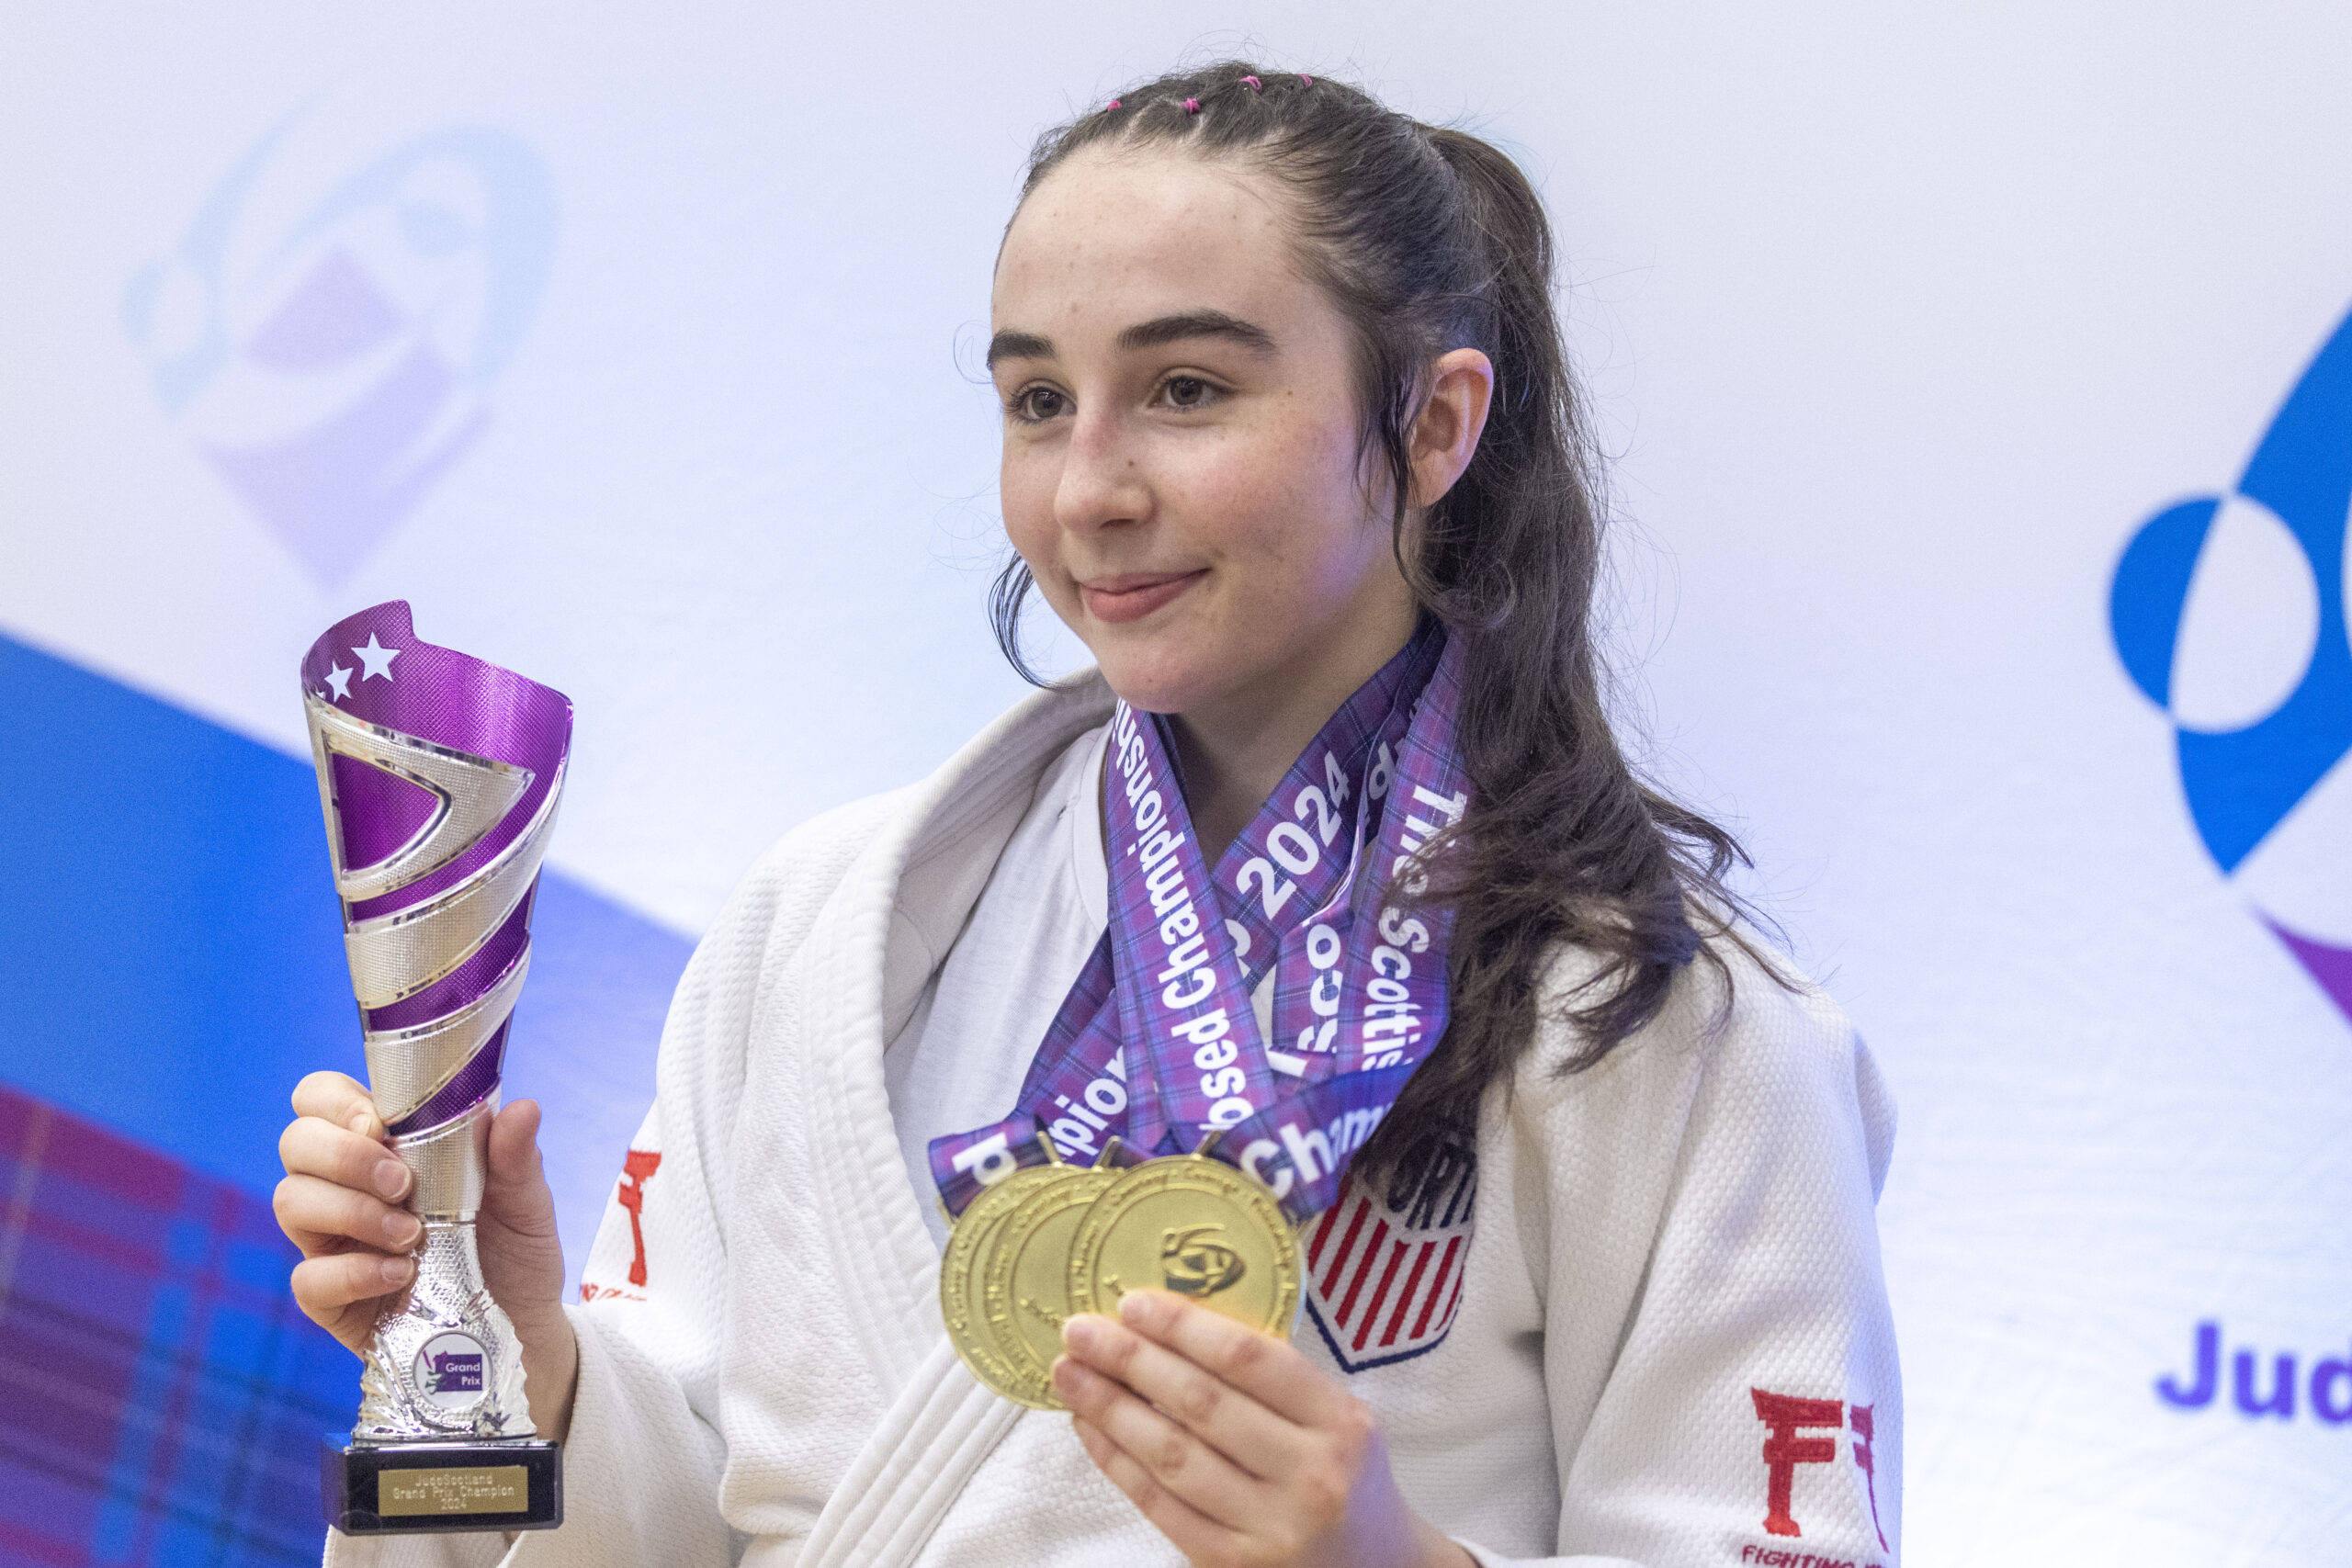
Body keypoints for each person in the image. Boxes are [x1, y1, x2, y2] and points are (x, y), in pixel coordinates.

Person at [276, 62, 1902, 1568]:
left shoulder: (1668, 1031)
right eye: (1038, 400)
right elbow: (685, 1506)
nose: (1087, 491)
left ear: (1435, 423)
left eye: (1186, 389)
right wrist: (517, 1363)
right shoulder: (826, 920)